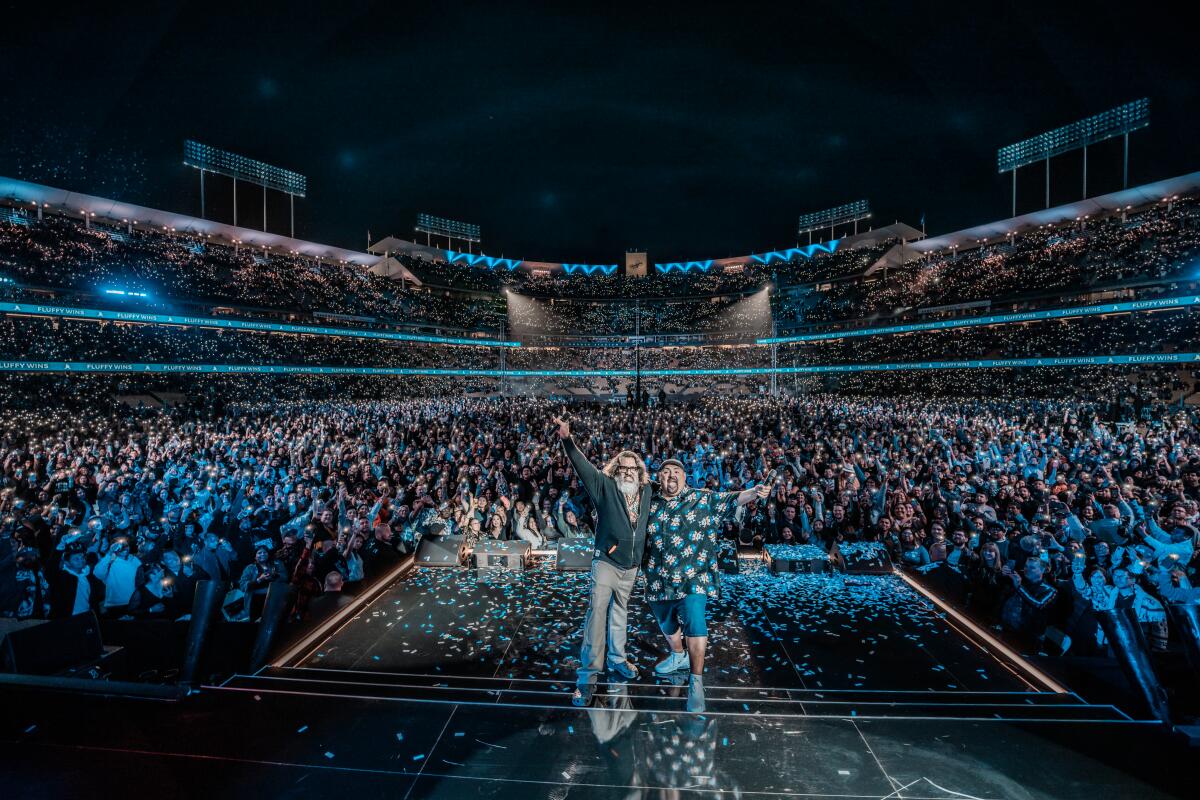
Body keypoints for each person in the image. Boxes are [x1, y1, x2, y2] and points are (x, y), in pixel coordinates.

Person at [644, 459, 768, 712]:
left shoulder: (702, 498)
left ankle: (696, 682)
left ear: (685, 477)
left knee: (695, 621)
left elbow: (733, 498)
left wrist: (755, 492)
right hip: (658, 578)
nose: (670, 475)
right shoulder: (649, 500)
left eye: (676, 471)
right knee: (667, 624)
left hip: (694, 576)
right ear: (658, 478)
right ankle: (678, 655)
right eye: (665, 471)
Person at [554, 415, 652, 708]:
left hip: (631, 566)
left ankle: (618, 660)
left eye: (633, 468)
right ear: (615, 469)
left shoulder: (648, 491)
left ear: (640, 472)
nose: (628, 472)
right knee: (597, 617)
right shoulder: (603, 485)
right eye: (623, 467)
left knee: (621, 614)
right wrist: (567, 439)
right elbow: (581, 464)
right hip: (606, 564)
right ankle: (586, 680)